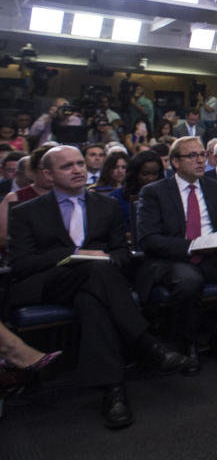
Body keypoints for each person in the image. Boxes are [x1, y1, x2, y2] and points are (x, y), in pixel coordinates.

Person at [9, 146, 188, 428]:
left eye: (80, 163)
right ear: (47, 174)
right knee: (94, 270)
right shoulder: (25, 212)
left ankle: (115, 392)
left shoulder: (107, 206)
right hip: (48, 282)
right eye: (67, 166)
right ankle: (146, 343)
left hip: (96, 284)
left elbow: (121, 254)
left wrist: (103, 259)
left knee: (92, 300)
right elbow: (20, 265)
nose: (78, 169)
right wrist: (75, 257)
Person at [136, 137, 217, 372]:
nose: (199, 161)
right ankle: (187, 344)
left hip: (212, 255)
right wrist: (190, 245)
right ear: (175, 162)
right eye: (192, 156)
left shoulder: (214, 187)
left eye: (202, 155)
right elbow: (148, 239)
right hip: (176, 258)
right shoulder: (154, 192)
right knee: (189, 282)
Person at [110, 150, 164, 233]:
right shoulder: (116, 198)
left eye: (155, 174)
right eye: (145, 174)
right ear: (135, 174)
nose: (150, 178)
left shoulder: (166, 195)